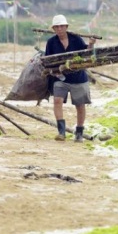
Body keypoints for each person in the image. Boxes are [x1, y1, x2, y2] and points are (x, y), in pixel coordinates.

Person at [45, 14, 96, 142]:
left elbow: (86, 54)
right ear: (54, 29)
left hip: (78, 77)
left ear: (66, 27)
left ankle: (79, 132)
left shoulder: (76, 39)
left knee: (80, 105)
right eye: (57, 27)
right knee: (57, 101)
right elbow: (47, 60)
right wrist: (55, 71)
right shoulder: (51, 42)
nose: (60, 29)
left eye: (62, 26)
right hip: (60, 78)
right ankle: (61, 132)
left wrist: (90, 44)